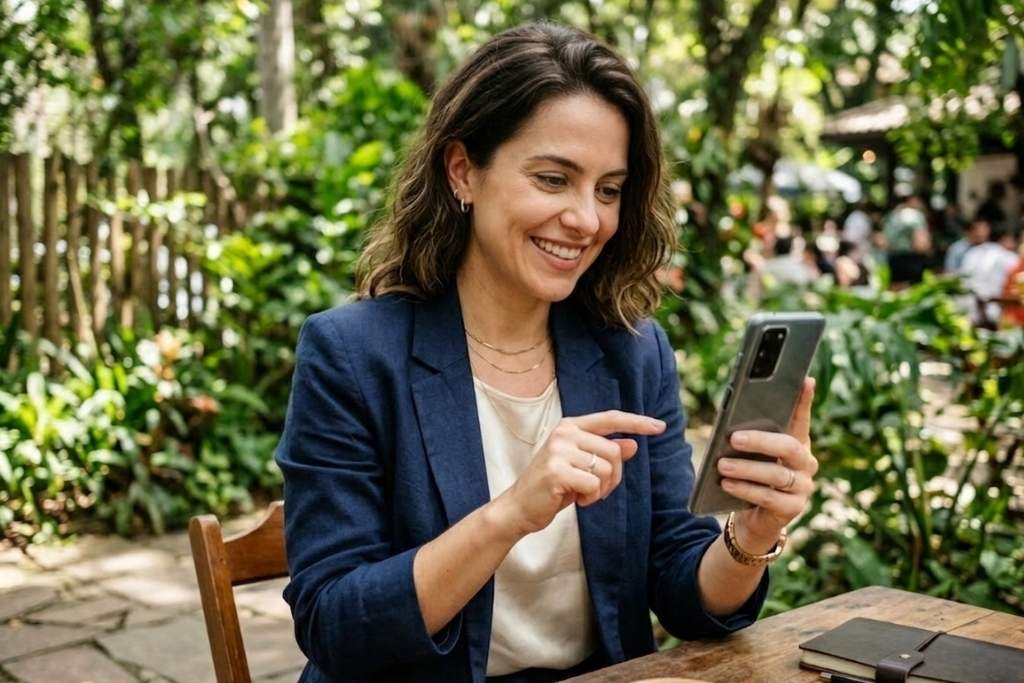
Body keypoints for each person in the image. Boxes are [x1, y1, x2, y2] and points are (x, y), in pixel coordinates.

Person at [276, 23, 818, 683]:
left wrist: (751, 535)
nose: (587, 219)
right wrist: (512, 513)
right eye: (554, 178)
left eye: (609, 189)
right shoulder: (354, 354)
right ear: (462, 172)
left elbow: (682, 590)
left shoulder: (632, 352)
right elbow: (335, 623)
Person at [958, 225, 1020, 326]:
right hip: (992, 312)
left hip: (968, 312)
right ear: (1006, 240)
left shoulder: (971, 253)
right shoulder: (1009, 257)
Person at [881, 193, 932, 286]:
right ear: (913, 199)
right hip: (911, 260)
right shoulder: (915, 216)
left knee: (897, 293)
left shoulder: (891, 215)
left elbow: (884, 242)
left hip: (893, 259)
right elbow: (921, 244)